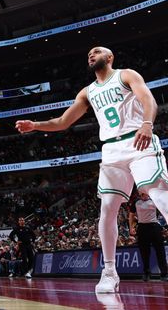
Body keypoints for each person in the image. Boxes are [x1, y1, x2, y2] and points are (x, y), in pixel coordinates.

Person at [16, 46, 162, 294]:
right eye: (88, 54)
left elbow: (148, 99)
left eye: (97, 51)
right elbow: (63, 122)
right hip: (111, 150)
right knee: (107, 209)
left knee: (160, 195)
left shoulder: (126, 75)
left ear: (110, 57)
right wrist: (35, 125)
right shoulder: (88, 92)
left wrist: (147, 123)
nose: (91, 55)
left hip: (139, 140)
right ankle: (109, 271)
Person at [128, 188, 168, 281]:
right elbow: (131, 215)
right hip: (142, 228)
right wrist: (131, 227)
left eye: (143, 192)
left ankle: (164, 273)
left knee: (160, 251)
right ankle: (146, 273)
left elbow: (164, 211)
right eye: (140, 193)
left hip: (154, 227)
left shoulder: (154, 199)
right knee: (144, 252)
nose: (142, 194)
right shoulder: (136, 202)